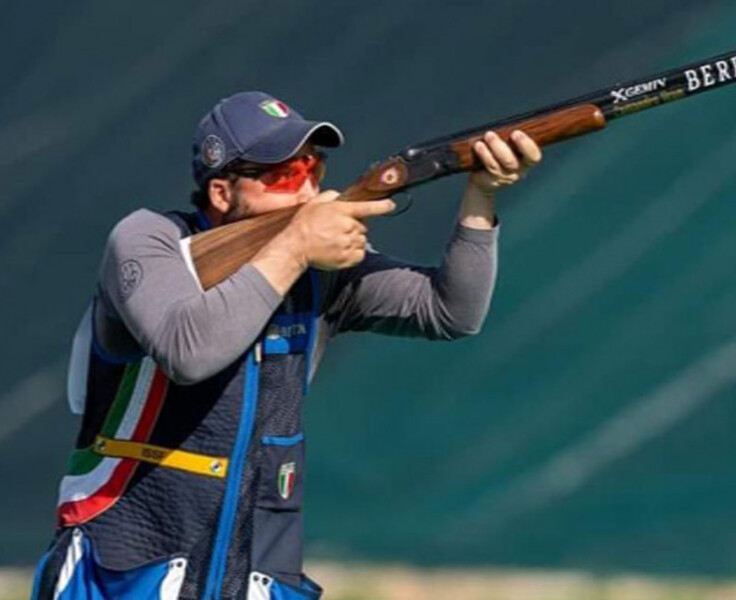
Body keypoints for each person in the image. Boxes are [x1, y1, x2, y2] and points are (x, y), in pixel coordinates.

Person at [30, 91, 541, 600]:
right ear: (221, 192)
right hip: (126, 565)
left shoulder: (321, 266)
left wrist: (482, 197)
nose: (308, 190)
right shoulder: (149, 239)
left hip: (256, 566)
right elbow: (189, 353)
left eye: (313, 168)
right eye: (284, 175)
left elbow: (451, 311)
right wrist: (294, 248)